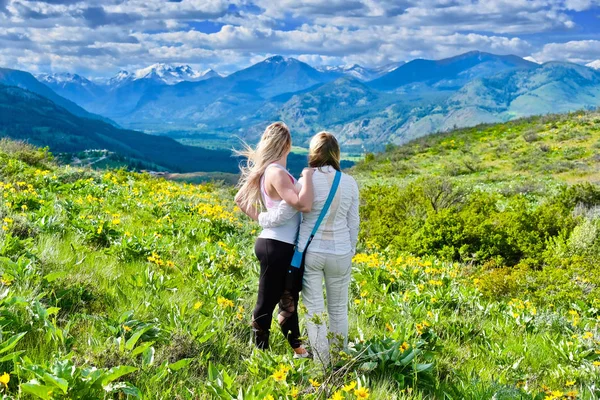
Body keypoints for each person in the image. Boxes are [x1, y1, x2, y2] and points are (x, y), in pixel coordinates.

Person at [259, 132, 360, 366]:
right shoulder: (349, 182)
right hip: (341, 252)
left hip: (311, 251)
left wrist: (260, 217)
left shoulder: (306, 181)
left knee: (314, 310)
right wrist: (350, 250)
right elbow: (353, 222)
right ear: (336, 154)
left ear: (313, 153)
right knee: (338, 309)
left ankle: (322, 363)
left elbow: (286, 212)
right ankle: (339, 358)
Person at [234, 121, 313, 358]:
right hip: (277, 245)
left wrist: (261, 218)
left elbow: (239, 199)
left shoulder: (270, 170)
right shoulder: (277, 172)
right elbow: (300, 204)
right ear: (287, 145)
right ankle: (260, 354)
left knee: (288, 299)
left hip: (279, 244)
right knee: (267, 301)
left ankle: (298, 351)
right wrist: (308, 176)